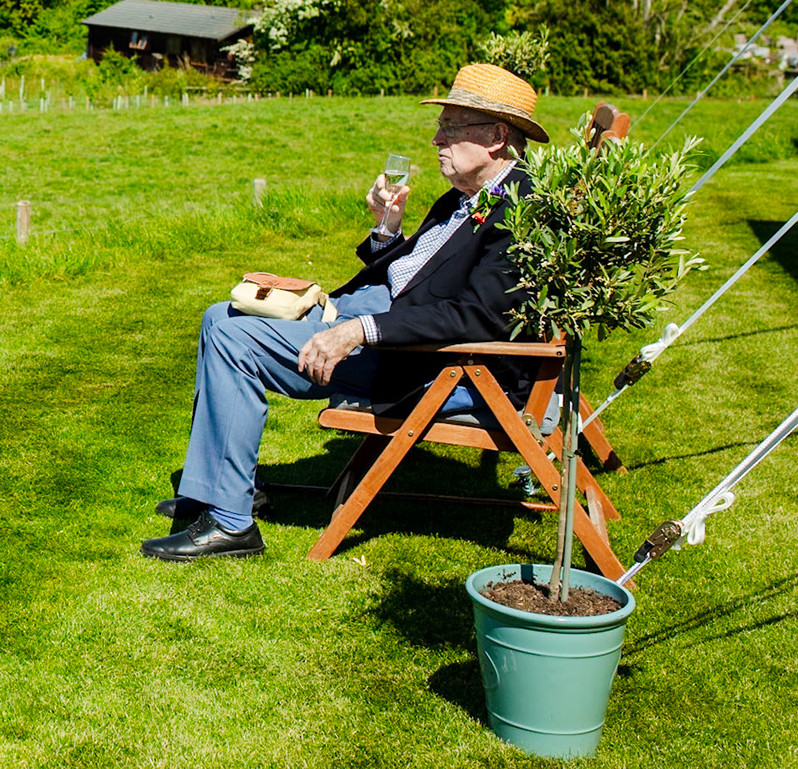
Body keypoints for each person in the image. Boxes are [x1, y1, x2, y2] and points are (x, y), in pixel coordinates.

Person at [142, 64, 549, 563]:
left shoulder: (520, 212)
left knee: (234, 341)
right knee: (219, 317)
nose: (436, 138)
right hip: (388, 326)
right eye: (440, 124)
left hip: (423, 362)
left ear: (497, 137)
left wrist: (359, 330)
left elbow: (478, 317)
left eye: (451, 126)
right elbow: (418, 276)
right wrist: (387, 227)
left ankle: (231, 524)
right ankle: (223, 489)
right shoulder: (463, 198)